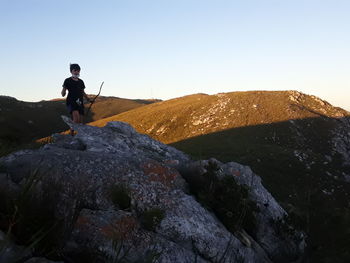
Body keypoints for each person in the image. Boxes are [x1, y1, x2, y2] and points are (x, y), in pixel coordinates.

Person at [61, 63, 91, 135]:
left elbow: (83, 92)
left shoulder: (81, 82)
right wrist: (63, 92)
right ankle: (72, 134)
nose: (77, 72)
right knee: (76, 119)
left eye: (78, 71)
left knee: (81, 121)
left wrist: (88, 99)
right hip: (71, 101)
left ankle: (79, 135)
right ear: (71, 71)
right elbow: (63, 92)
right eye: (75, 70)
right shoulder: (67, 80)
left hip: (79, 102)